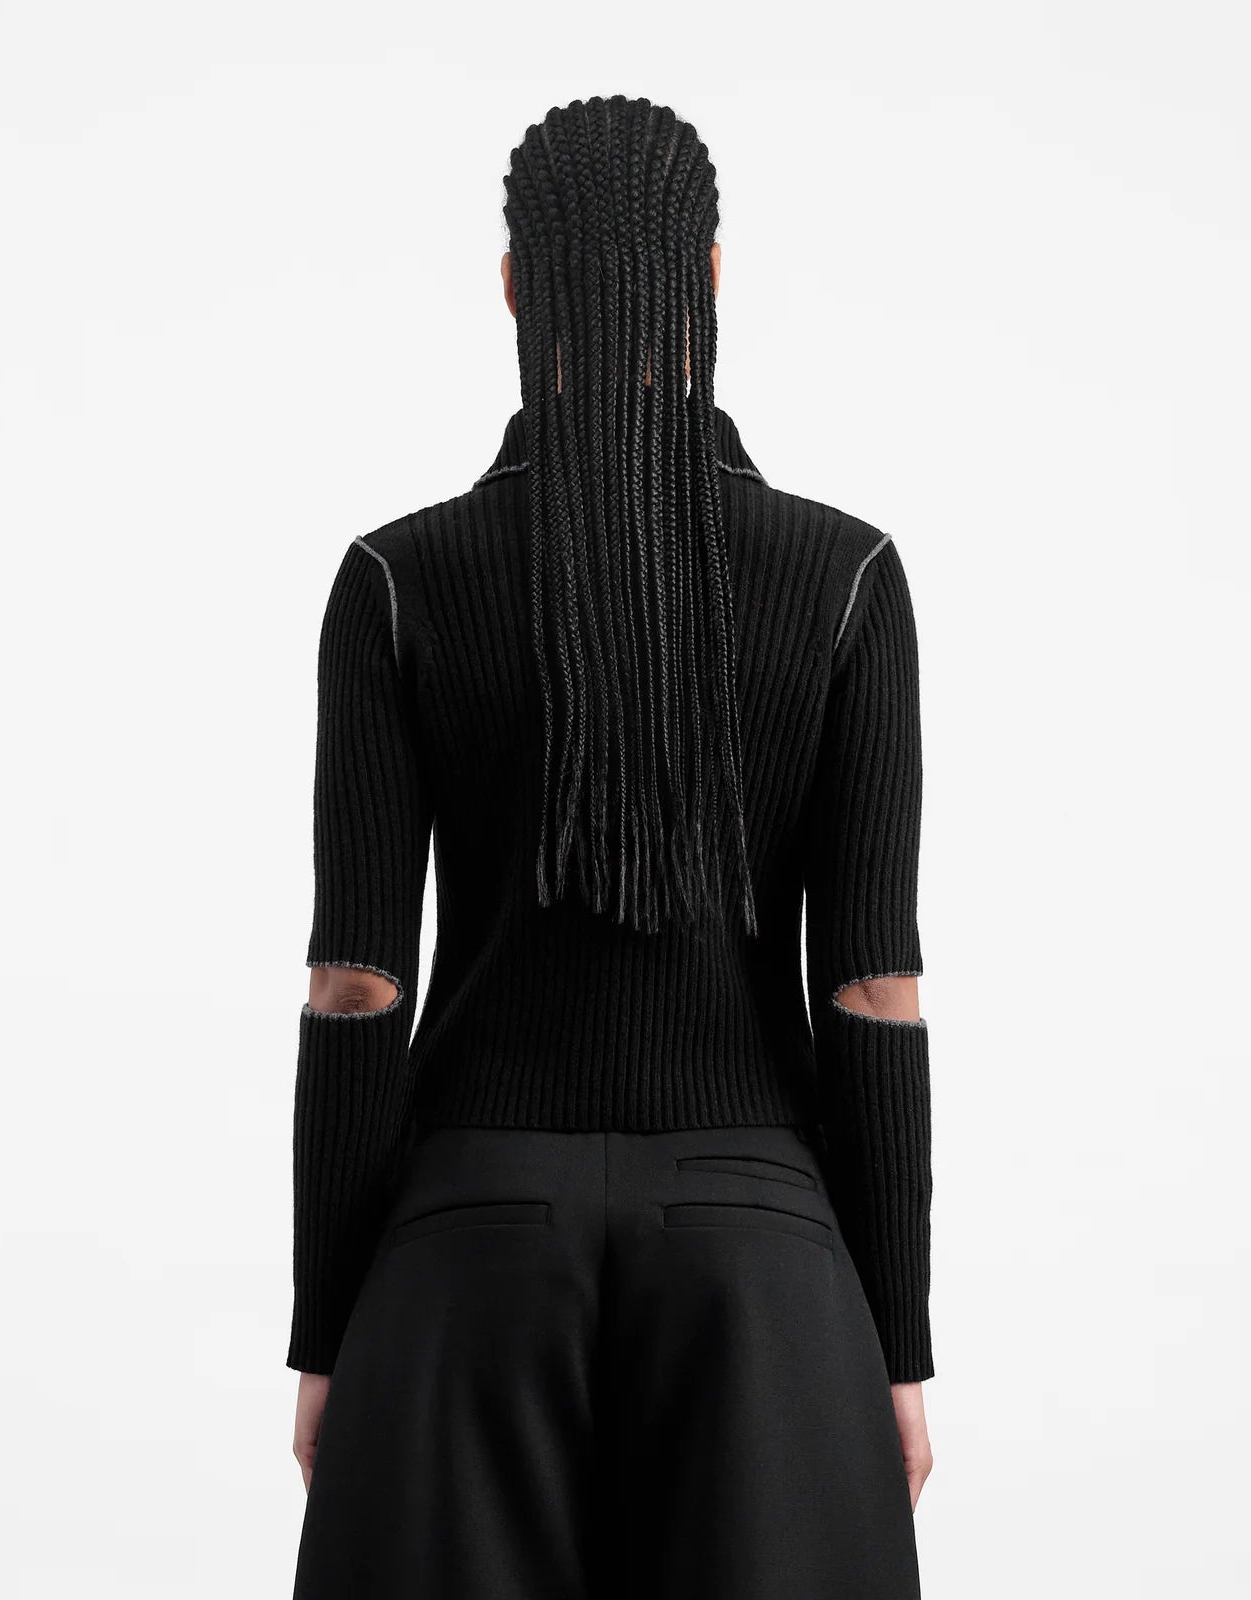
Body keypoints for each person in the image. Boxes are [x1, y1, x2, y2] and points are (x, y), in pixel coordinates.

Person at [286, 92, 935, 1599]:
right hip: (759, 1253)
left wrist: (328, 1334)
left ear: (515, 285)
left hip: (468, 1247)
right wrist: (895, 1345)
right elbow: (871, 993)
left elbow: (356, 990)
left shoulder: (397, 577)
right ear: (709, 277)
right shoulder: (845, 574)